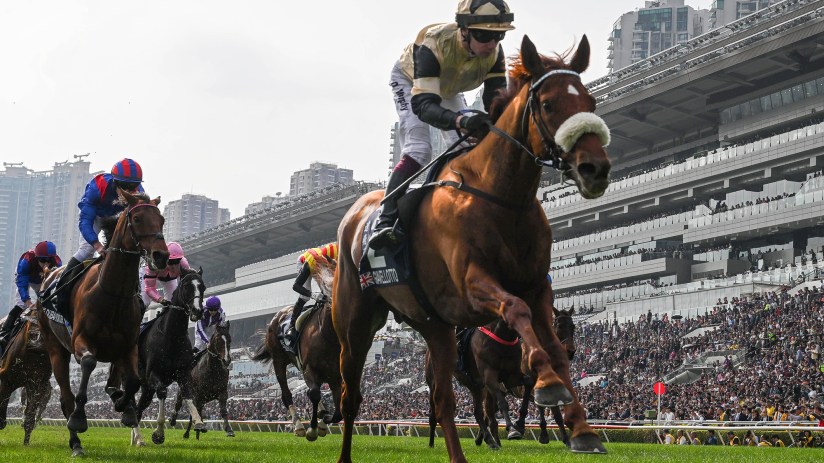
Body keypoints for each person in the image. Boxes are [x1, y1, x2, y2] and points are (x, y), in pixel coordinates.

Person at [368, 0, 514, 251]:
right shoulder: (433, 44)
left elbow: (496, 100)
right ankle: (386, 218)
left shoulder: (495, 53)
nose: (492, 44)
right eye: (483, 36)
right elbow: (424, 106)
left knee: (466, 147)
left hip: (448, 86)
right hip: (411, 81)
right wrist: (460, 120)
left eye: (498, 36)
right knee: (419, 149)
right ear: (464, 31)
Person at [55, 158, 145, 316]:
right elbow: (85, 222)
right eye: (125, 187)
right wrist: (97, 245)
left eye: (133, 187)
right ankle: (61, 290)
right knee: (86, 250)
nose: (130, 191)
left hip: (118, 216)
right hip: (96, 215)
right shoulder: (97, 188)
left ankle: (137, 294)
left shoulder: (139, 192)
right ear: (115, 183)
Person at [0, 241, 62, 357]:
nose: (46, 264)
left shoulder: (57, 263)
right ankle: (4, 333)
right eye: (42, 260)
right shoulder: (26, 260)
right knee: (22, 304)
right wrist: (28, 303)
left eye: (49, 260)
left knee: (46, 303)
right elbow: (22, 284)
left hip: (41, 280)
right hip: (25, 277)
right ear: (37, 258)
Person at [284, 243, 338, 348]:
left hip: (321, 263)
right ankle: (291, 326)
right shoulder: (311, 263)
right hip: (305, 261)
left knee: (329, 292)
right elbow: (296, 286)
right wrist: (312, 295)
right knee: (305, 297)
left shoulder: (338, 256)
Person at [141, 242, 191, 314]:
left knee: (172, 303)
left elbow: (188, 283)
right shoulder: (154, 265)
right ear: (164, 259)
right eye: (170, 262)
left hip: (169, 279)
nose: (173, 266)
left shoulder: (184, 264)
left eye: (176, 261)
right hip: (148, 273)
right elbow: (150, 288)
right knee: (144, 302)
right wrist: (160, 299)